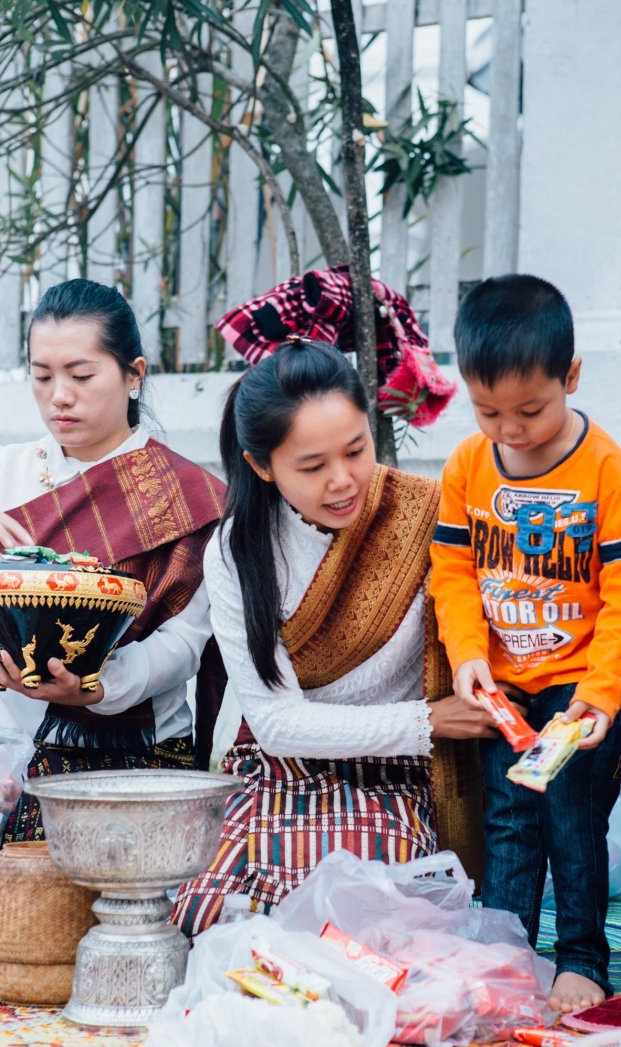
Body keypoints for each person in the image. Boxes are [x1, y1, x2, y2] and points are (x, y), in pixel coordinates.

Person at [171, 338, 504, 940]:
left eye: (356, 450)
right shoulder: (237, 549)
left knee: (364, 918)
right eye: (312, 466)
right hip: (282, 768)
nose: (343, 480)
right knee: (200, 915)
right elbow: (274, 723)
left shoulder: (426, 512)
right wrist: (429, 721)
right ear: (261, 465)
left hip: (392, 774)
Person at [0, 279, 226, 948]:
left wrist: (96, 686)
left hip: (135, 766)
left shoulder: (188, 495)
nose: (60, 396)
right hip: (10, 769)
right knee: (4, 946)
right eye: (42, 375)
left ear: (134, 374)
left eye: (81, 373)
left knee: (127, 944)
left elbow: (184, 644)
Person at [430, 274, 621, 1013]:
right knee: (508, 818)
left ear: (572, 377)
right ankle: (505, 959)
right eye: (488, 410)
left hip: (579, 687)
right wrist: (466, 652)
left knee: (572, 819)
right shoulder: (467, 465)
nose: (510, 429)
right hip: (505, 686)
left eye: (530, 409)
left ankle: (583, 960)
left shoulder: (603, 467)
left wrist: (602, 693)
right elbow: (453, 569)